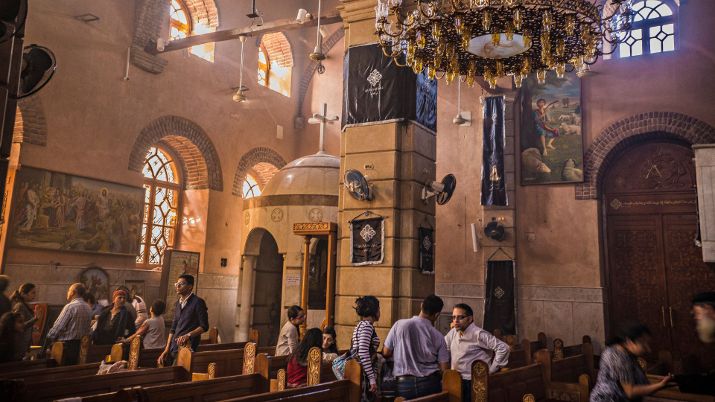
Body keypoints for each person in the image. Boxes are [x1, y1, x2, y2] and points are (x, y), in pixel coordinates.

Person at [383, 294, 450, 400]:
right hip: (430, 384)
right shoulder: (438, 336)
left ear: (421, 305)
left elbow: (386, 352)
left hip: (404, 384)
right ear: (437, 315)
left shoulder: (399, 325)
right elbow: (444, 369)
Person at [590, 322, 672, 402]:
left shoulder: (628, 353)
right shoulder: (617, 356)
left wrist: (658, 381)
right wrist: (659, 385)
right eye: (643, 344)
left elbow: (634, 379)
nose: (648, 349)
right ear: (629, 342)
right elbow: (630, 392)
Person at [444, 303, 510, 402]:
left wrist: (491, 370)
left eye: (460, 317)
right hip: (456, 380)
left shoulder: (479, 334)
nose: (455, 321)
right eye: (453, 317)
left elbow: (503, 348)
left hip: (474, 382)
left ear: (470, 319)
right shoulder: (453, 332)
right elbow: (444, 347)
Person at [157, 274, 208, 366]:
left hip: (187, 348)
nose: (178, 286)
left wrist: (188, 335)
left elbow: (204, 326)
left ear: (190, 287)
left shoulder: (198, 302)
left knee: (176, 377)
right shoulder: (177, 304)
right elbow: (173, 328)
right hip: (173, 347)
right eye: (177, 283)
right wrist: (166, 349)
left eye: (181, 284)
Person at [46, 283, 92, 364]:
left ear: (73, 292)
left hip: (67, 347)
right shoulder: (88, 307)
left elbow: (58, 327)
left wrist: (48, 339)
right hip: (81, 346)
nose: (67, 292)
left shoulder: (70, 307)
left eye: (69, 290)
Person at [349, 296, 381, 401]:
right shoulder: (367, 326)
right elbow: (363, 352)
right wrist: (372, 379)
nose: (380, 312)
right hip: (364, 376)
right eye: (379, 309)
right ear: (374, 311)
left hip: (361, 372)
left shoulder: (361, 325)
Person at [10, 283, 38, 360]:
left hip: (23, 343)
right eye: (32, 292)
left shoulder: (24, 305)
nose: (34, 295)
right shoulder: (20, 306)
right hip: (18, 343)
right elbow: (18, 326)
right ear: (23, 293)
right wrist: (34, 319)